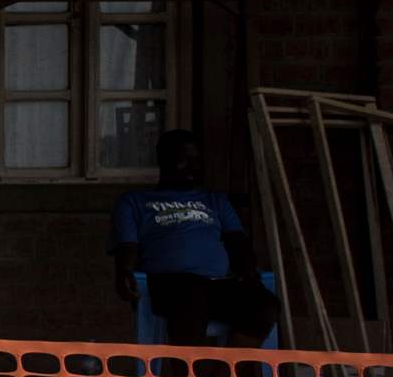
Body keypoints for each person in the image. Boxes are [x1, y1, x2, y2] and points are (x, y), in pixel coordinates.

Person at [114, 130, 279, 346]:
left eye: (197, 161)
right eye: (185, 160)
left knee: (264, 306)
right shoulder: (134, 201)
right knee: (189, 300)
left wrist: (248, 271)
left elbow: (238, 241)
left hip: (218, 285)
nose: (193, 167)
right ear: (164, 161)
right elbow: (127, 245)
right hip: (170, 284)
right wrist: (124, 271)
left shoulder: (215, 200)